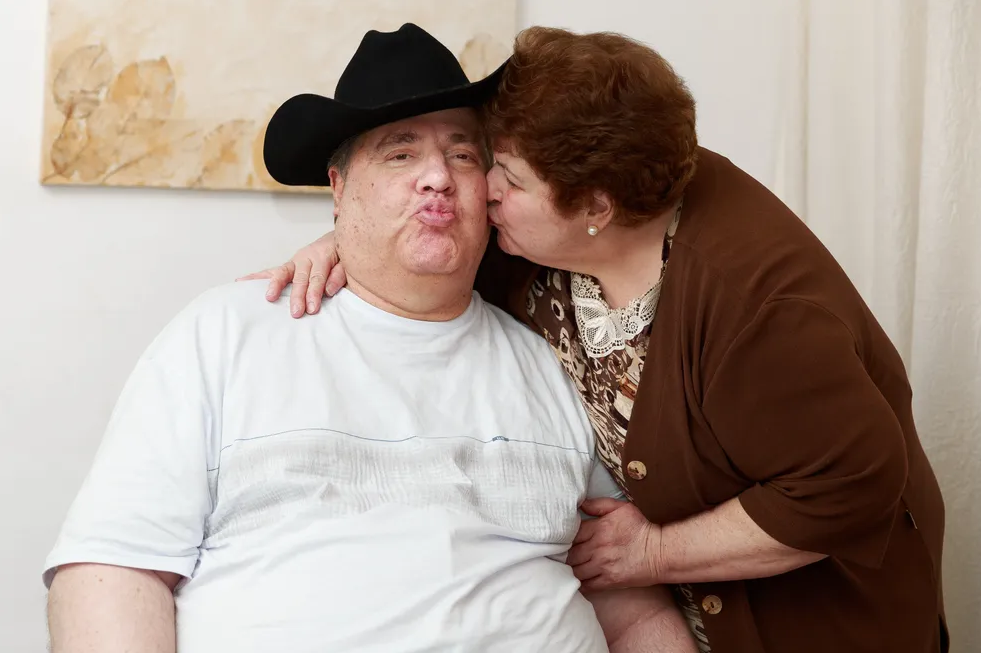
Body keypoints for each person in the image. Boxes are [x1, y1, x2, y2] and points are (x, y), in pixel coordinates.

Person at [246, 25, 949, 653]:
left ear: (594, 207)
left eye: (507, 178)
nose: (481, 189)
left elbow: (850, 490)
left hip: (814, 624)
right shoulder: (541, 226)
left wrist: (651, 553)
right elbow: (413, 233)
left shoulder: (753, 307)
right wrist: (345, 238)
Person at [43, 24, 697, 653]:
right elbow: (110, 569)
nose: (437, 176)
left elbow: (627, 605)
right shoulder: (225, 333)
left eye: (463, 154)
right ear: (338, 188)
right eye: (400, 152)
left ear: (492, 192)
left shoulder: (549, 354)